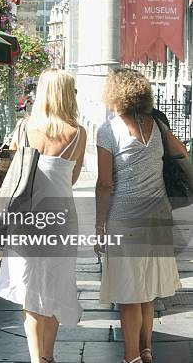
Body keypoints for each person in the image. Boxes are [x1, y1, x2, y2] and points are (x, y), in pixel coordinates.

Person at [0, 68, 86, 363]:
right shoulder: (77, 133)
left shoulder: (23, 129)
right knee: (54, 287)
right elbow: (73, 178)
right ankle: (48, 356)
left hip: (25, 217)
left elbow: (16, 175)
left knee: (30, 289)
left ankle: (36, 359)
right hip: (60, 218)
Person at [95, 68, 182, 363]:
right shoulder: (157, 124)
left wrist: (99, 225)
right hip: (158, 218)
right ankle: (147, 351)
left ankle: (130, 356)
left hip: (126, 220)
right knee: (146, 294)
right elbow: (181, 153)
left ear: (114, 94)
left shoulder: (108, 130)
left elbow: (105, 184)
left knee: (128, 295)